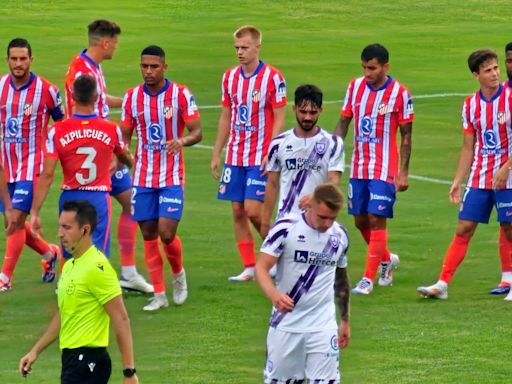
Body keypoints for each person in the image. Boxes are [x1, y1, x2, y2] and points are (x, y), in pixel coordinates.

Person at [418, 49, 512, 301]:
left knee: (509, 227)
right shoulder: (470, 106)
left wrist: (506, 167)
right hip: (481, 177)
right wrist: (458, 181)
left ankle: (511, 281)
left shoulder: (511, 97)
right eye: (488, 70)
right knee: (464, 227)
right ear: (476, 75)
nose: (494, 74)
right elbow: (468, 146)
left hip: (509, 177)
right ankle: (442, 283)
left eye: (495, 68)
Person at [65, 19, 150, 293]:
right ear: (105, 42)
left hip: (103, 147)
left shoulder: (91, 66)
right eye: (114, 42)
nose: (116, 46)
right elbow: (82, 112)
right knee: (86, 217)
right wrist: (109, 151)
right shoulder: (81, 71)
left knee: (131, 204)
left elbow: (100, 101)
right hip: (93, 153)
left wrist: (129, 98)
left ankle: (127, 273)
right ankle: (75, 278)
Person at [29, 74, 141, 271]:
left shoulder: (57, 130)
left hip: (70, 196)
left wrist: (35, 212)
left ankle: (68, 291)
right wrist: (129, 160)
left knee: (70, 252)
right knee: (97, 256)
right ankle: (95, 295)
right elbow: (125, 157)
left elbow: (47, 175)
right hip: (98, 198)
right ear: (97, 97)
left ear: (72, 97)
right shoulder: (110, 129)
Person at [19, 200, 139, 384]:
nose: (60, 233)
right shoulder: (70, 267)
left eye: (67, 228)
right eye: (60, 226)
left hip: (89, 360)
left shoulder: (98, 268)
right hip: (72, 360)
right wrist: (35, 350)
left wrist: (129, 372)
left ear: (85, 229)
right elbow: (65, 314)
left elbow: (121, 318)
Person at [121, 45, 202, 311]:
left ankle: (178, 274)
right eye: (144, 66)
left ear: (164, 67)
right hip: (143, 177)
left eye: (154, 66)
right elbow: (125, 136)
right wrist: (122, 155)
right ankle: (159, 294)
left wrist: (182, 141)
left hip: (171, 176)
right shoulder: (131, 98)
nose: (148, 71)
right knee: (148, 233)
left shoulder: (180, 95)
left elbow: (197, 132)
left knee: (166, 233)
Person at [335, 43, 413, 295]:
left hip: (385, 168)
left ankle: (367, 279)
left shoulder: (400, 93)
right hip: (359, 166)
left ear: (385, 67)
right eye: (364, 68)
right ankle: (386, 258)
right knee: (360, 220)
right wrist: (332, 151)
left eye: (372, 68)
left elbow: (406, 137)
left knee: (376, 219)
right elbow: (344, 122)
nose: (367, 73)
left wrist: (403, 172)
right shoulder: (354, 87)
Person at [211, 25, 287, 281]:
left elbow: (279, 117)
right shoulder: (229, 77)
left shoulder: (273, 78)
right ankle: (250, 266)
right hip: (235, 155)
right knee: (237, 210)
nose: (240, 52)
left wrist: (272, 150)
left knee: (254, 210)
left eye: (244, 47)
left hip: (260, 156)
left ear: (257, 47)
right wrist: (216, 151)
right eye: (237, 48)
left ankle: (277, 253)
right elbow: (226, 115)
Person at [255, 183, 350, 383]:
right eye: (322, 217)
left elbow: (341, 279)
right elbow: (261, 268)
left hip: (322, 326)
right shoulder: (285, 228)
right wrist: (274, 295)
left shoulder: (339, 236)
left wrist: (345, 319)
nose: (326, 224)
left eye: (332, 219)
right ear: (310, 206)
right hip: (286, 324)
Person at [0, 38, 63, 291]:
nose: (18, 63)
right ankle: (49, 253)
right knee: (11, 218)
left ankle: (4, 278)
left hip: (31, 164)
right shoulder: (0, 87)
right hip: (5, 164)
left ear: (31, 60)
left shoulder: (47, 90)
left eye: (23, 59)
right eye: (14, 59)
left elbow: (62, 124)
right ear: (7, 60)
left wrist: (51, 153)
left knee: (15, 219)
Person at [261, 84, 344, 238]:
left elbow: (334, 179)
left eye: (313, 112)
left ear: (321, 110)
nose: (307, 117)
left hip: (317, 221)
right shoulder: (279, 143)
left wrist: (317, 196)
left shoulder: (333, 143)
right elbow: (272, 183)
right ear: (294, 109)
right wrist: (265, 221)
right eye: (303, 112)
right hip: (285, 222)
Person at [489, 42, 512, 295]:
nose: (509, 66)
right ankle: (507, 278)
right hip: (507, 168)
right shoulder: (502, 94)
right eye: (509, 60)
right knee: (506, 222)